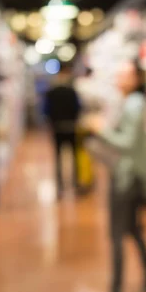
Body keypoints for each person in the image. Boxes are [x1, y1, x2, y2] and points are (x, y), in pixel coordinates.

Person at [84, 60, 146, 292]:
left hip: (127, 179)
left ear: (137, 78)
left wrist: (101, 129)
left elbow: (126, 142)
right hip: (132, 176)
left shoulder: (135, 105)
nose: (119, 78)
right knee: (135, 231)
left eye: (125, 74)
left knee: (117, 235)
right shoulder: (131, 103)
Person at [43, 64, 81, 197]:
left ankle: (60, 186)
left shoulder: (51, 92)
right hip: (70, 127)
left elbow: (46, 110)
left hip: (57, 127)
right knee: (73, 156)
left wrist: (50, 123)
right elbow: (78, 107)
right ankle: (75, 184)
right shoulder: (72, 91)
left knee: (59, 157)